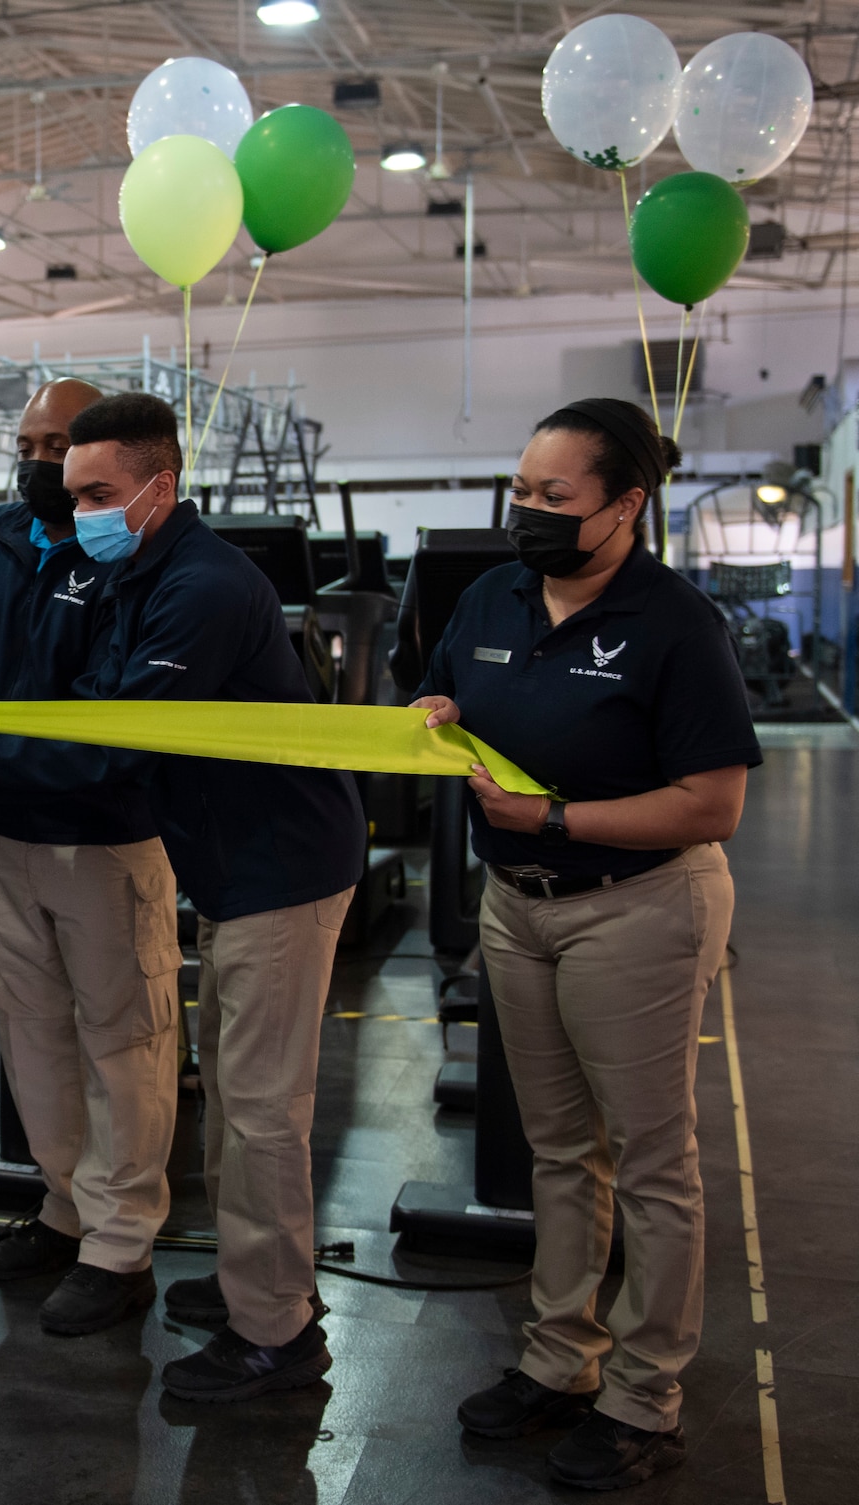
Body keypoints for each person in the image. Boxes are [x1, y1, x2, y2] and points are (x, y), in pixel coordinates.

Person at [0, 393, 366, 1398]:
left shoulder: (195, 585)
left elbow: (113, 731)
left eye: (93, 489)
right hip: (219, 857)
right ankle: (259, 1286)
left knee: (249, 1106)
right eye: (61, 487)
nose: (75, 511)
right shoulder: (130, 565)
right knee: (228, 1097)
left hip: (269, 864)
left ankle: (275, 1334)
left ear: (158, 487)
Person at [414, 398, 759, 1491]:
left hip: (638, 905)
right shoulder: (491, 591)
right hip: (514, 905)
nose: (526, 510)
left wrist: (554, 820)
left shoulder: (673, 623)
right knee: (559, 1150)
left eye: (551, 497)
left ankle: (643, 1394)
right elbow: (437, 688)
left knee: (651, 1160)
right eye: (519, 489)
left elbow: (711, 804)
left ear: (623, 505)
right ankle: (561, 1356)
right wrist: (427, 707)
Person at [0, 378, 183, 1337]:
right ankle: (68, 1207)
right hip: (4, 830)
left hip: (104, 834)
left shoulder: (129, 553)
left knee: (124, 1042)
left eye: (58, 442)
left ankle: (122, 1242)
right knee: (34, 1037)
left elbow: (104, 708)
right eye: (27, 440)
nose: (39, 459)